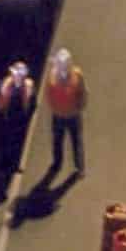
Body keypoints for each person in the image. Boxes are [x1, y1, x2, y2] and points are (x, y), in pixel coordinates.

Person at [42, 48, 87, 177]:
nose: (61, 67)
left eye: (64, 64)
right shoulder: (52, 77)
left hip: (73, 115)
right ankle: (57, 164)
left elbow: (82, 92)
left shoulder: (77, 75)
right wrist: (55, 109)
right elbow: (48, 95)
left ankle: (79, 168)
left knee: (76, 142)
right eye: (59, 64)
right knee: (57, 141)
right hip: (58, 116)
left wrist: (79, 107)